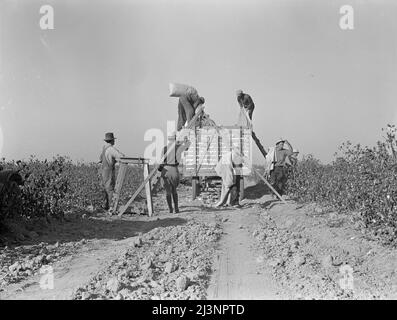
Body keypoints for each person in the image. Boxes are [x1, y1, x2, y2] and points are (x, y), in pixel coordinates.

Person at [158, 133, 191, 213]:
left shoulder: (164, 148)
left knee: (167, 191)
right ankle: (176, 208)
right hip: (174, 170)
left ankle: (170, 209)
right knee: (174, 190)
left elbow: (161, 161)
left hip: (165, 170)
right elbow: (187, 146)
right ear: (175, 139)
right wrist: (186, 140)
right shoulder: (178, 147)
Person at [98, 132, 125, 213]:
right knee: (110, 189)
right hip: (108, 171)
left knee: (104, 188)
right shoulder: (111, 149)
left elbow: (100, 159)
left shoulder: (104, 148)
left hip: (102, 170)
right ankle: (111, 207)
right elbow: (122, 156)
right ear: (112, 140)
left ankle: (105, 206)